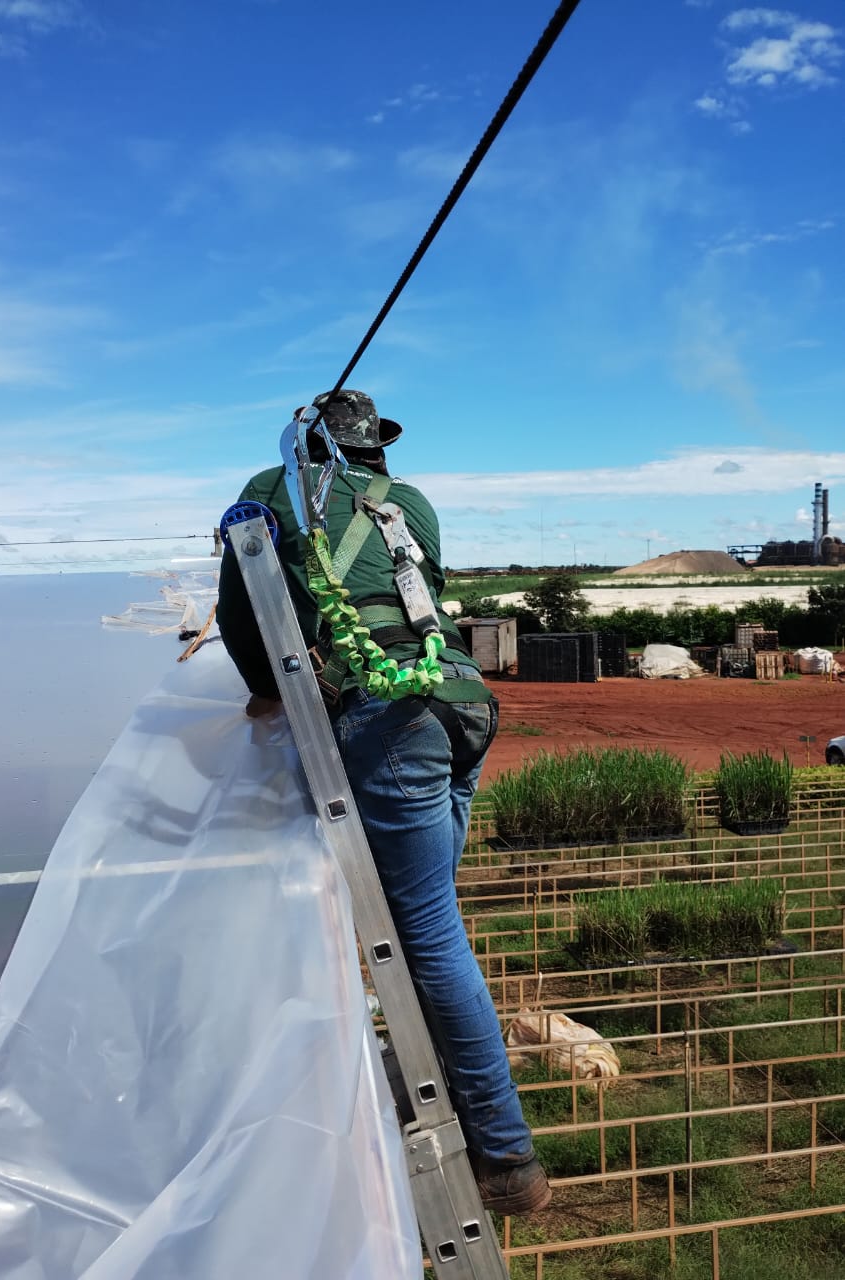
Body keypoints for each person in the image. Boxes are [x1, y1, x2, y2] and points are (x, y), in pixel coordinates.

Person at [216, 389, 550, 1217]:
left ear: (307, 445)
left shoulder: (272, 488)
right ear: (375, 447)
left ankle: (505, 1155)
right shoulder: (412, 503)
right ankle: (455, 1092)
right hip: (462, 704)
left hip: (390, 716)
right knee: (426, 923)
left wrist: (266, 689)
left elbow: (241, 607)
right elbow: (409, 595)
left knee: (427, 935)